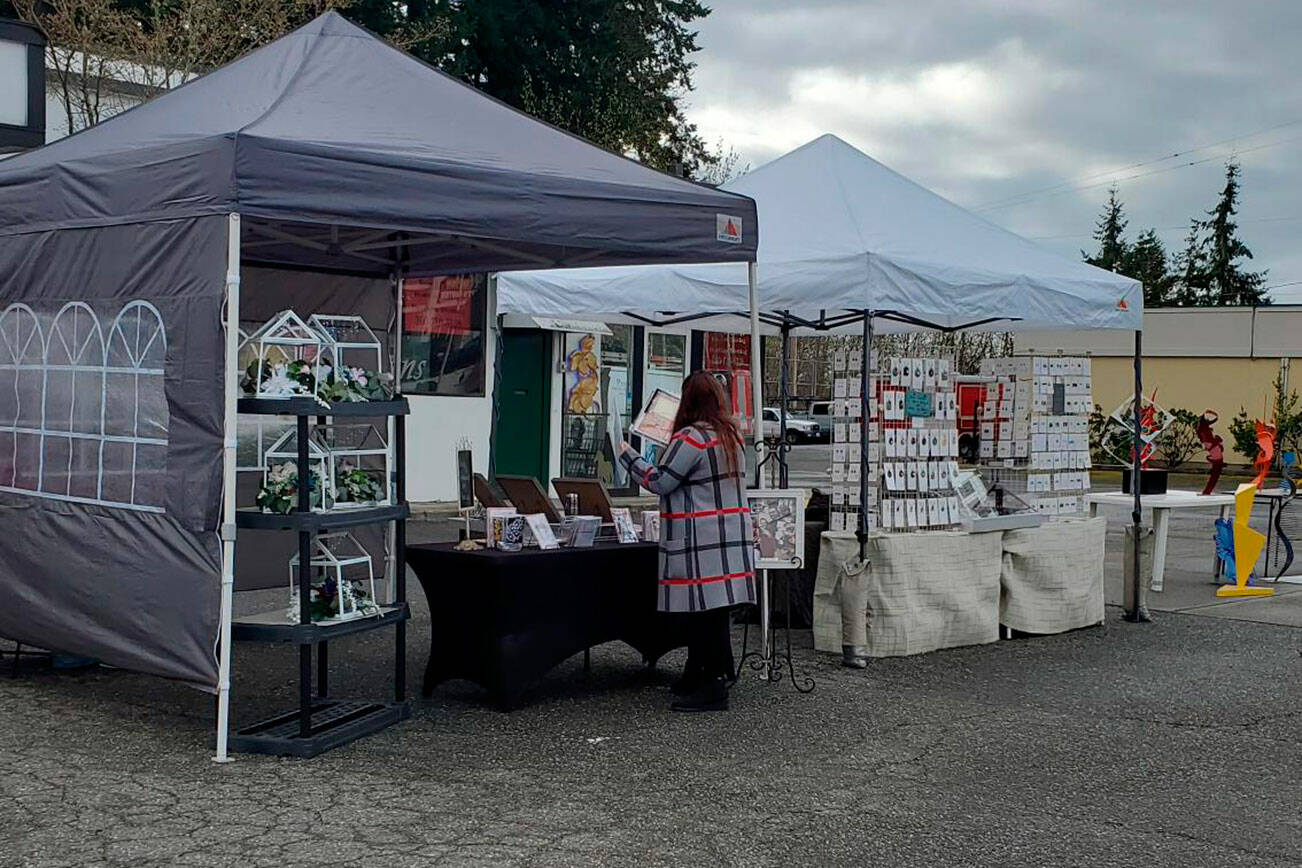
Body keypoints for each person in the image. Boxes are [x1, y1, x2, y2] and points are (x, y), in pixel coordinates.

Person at [619, 371, 755, 712]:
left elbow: (661, 481)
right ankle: (701, 674)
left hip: (700, 541)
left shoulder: (690, 437)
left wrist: (627, 456)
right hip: (730, 537)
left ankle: (711, 686)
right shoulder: (730, 435)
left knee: (701, 616)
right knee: (715, 613)